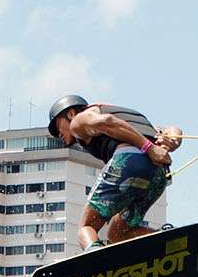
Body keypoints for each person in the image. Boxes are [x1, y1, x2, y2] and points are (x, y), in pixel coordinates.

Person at [46, 94, 183, 250]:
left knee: (86, 227)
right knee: (118, 234)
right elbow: (173, 130)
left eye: (57, 127)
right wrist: (168, 144)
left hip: (129, 164)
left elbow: (107, 122)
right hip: (158, 174)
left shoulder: (79, 120)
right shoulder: (130, 115)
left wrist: (149, 148)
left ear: (70, 113)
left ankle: (95, 256)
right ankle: (169, 241)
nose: (59, 135)